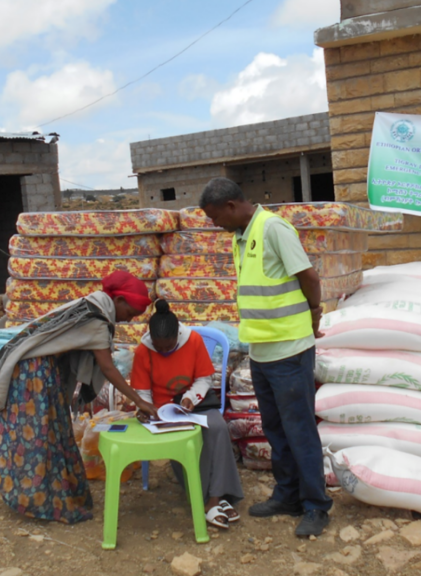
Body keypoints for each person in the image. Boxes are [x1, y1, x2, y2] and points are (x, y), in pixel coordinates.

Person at [199, 177, 332, 537]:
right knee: (275, 429)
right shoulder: (239, 238)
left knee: (300, 430)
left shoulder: (273, 228)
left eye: (214, 217)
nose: (214, 225)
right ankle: (287, 495)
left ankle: (316, 506)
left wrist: (314, 312)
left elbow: (309, 276)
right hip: (261, 352)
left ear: (230, 205)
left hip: (290, 350)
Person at [0, 270, 160, 524]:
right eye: (129, 313)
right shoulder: (97, 319)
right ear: (118, 300)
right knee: (38, 435)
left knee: (52, 431)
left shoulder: (90, 305)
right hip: (33, 375)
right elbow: (108, 368)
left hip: (37, 371)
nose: (127, 320)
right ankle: (38, 502)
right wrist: (140, 401)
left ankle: (52, 495)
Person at [130, 299, 244, 529]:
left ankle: (215, 498)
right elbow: (142, 392)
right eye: (158, 348)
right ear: (151, 339)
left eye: (168, 347)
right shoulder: (143, 351)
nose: (163, 352)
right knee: (184, 439)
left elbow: (204, 379)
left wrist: (190, 398)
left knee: (218, 428)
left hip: (195, 403)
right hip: (162, 411)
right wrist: (148, 409)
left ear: (176, 337)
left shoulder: (192, 341)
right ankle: (208, 499)